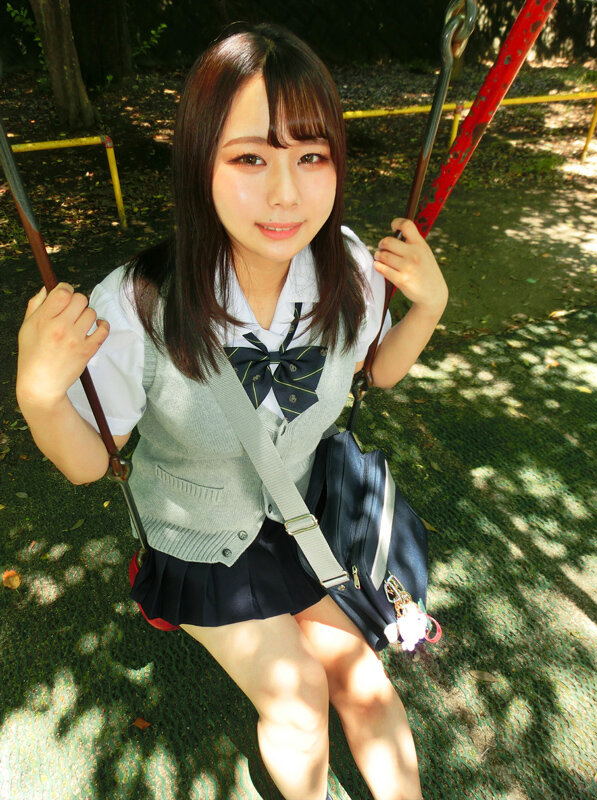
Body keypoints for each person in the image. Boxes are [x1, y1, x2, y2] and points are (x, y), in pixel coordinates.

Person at [16, 23, 447, 800]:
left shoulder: (348, 267)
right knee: (298, 699)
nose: (286, 193)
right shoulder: (137, 305)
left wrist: (428, 307)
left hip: (303, 519)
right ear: (199, 163)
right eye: (250, 158)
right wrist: (39, 395)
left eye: (310, 157)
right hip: (199, 540)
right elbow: (89, 464)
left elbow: (377, 372)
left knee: (365, 683)